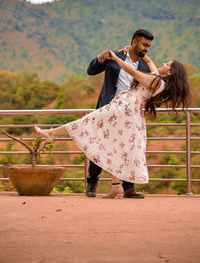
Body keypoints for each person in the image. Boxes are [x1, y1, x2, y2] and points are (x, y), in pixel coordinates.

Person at [35, 52, 190, 199]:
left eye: (168, 64)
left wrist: (116, 58)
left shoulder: (156, 82)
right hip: (127, 111)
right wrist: (132, 51)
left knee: (88, 122)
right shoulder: (157, 78)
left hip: (124, 109)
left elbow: (133, 72)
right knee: (112, 144)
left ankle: (52, 133)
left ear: (170, 72)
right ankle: (116, 185)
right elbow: (149, 62)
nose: (164, 63)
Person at [85, 28, 154, 198]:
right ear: (134, 42)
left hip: (129, 112)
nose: (146, 48)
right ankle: (91, 183)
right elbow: (91, 71)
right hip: (108, 108)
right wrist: (100, 58)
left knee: (127, 148)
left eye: (149, 46)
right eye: (144, 44)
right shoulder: (114, 56)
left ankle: (129, 188)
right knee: (99, 145)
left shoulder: (144, 65)